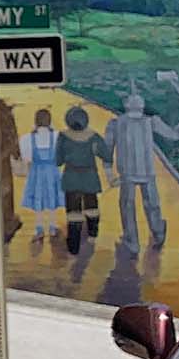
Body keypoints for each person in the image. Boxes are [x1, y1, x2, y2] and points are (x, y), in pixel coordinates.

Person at [107, 83, 179, 251]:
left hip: (139, 172)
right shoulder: (117, 123)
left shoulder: (147, 121)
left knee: (137, 205)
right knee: (135, 205)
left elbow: (175, 135)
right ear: (126, 104)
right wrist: (109, 172)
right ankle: (138, 240)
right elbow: (107, 149)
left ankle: (148, 236)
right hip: (133, 173)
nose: (136, 100)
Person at [55, 105, 112, 256]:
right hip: (90, 176)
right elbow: (106, 155)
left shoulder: (63, 136)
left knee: (73, 211)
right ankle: (93, 235)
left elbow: (58, 160)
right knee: (92, 207)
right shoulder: (93, 136)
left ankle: (73, 246)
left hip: (71, 177)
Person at [19, 106, 60, 242]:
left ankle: (39, 228)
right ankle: (53, 227)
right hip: (52, 171)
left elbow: (26, 158)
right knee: (52, 199)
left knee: (38, 200)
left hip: (36, 172)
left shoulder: (26, 138)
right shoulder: (57, 136)